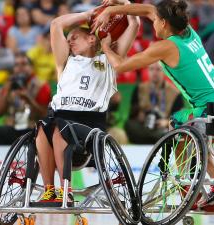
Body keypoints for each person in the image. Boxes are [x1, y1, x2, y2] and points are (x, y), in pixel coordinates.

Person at [92, 0, 214, 208]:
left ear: (163, 23)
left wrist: (106, 46)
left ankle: (201, 187)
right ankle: (200, 186)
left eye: (155, 21)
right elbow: (150, 10)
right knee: (183, 130)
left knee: (176, 124)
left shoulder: (165, 47)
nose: (153, 23)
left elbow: (121, 65)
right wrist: (116, 8)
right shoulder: (188, 33)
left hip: (210, 113)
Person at [35, 1, 139, 206]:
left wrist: (125, 4)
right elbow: (56, 24)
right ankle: (49, 190)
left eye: (74, 37)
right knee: (42, 128)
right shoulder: (65, 62)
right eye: (68, 39)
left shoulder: (108, 59)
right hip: (59, 116)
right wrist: (89, 14)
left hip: (89, 128)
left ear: (91, 39)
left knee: (58, 128)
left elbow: (134, 23)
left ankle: (67, 191)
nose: (69, 42)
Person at [0, 52, 51, 145]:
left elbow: (45, 114)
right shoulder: (9, 85)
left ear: (31, 67)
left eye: (24, 64)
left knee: (38, 133)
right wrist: (6, 90)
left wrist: (29, 99)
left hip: (32, 128)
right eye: (16, 65)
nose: (20, 68)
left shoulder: (42, 86)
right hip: (12, 127)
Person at [125, 62, 183, 144]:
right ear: (148, 71)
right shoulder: (140, 89)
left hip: (163, 128)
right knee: (129, 125)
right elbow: (132, 114)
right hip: (144, 126)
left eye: (158, 69)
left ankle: (160, 138)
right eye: (151, 69)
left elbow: (179, 119)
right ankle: (158, 139)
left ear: (164, 72)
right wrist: (139, 115)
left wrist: (166, 122)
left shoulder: (175, 93)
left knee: (169, 132)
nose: (154, 73)